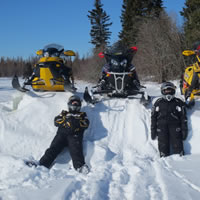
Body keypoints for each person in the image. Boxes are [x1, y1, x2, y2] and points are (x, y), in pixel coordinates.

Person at [38, 95, 90, 173]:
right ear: (69, 104)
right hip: (61, 135)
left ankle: (80, 166)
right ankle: (42, 164)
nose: (74, 106)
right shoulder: (64, 113)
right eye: (73, 104)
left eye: (76, 104)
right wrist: (65, 120)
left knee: (76, 151)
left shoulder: (82, 115)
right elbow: (56, 121)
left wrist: (76, 121)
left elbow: (86, 124)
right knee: (52, 149)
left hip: (75, 136)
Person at [151, 82, 188, 157]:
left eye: (170, 91)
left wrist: (184, 130)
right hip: (161, 127)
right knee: (162, 144)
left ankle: (180, 159)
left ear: (173, 91)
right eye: (166, 91)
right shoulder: (158, 102)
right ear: (162, 91)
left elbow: (183, 117)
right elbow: (153, 117)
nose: (168, 93)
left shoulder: (178, 102)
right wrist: (153, 130)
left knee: (177, 143)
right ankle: (164, 159)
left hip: (175, 127)